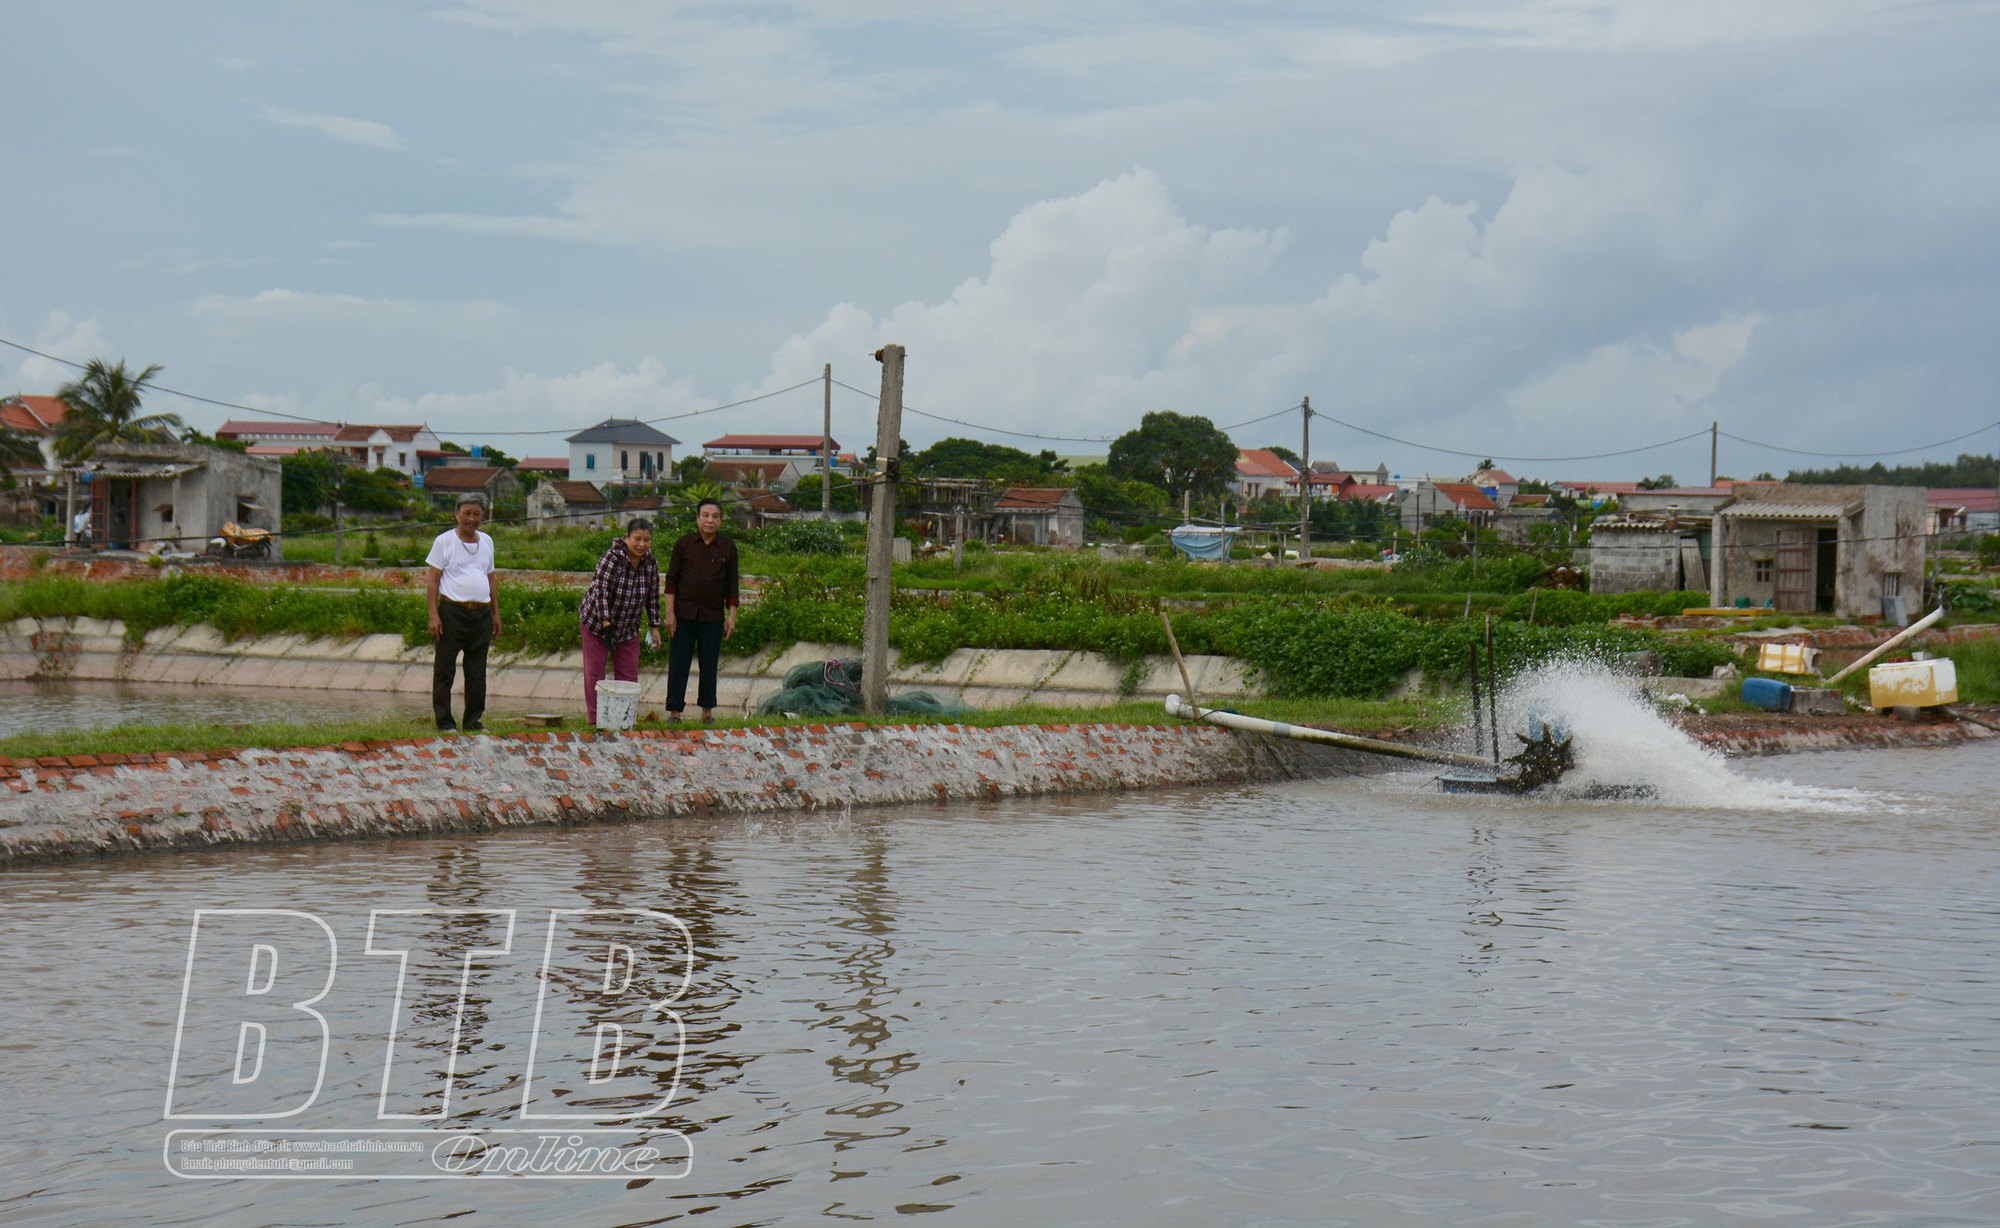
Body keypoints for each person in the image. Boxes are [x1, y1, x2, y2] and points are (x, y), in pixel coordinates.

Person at [426, 493, 501, 732]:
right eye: (466, 513)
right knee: (445, 669)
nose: (471, 518)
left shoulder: (487, 541)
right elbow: (433, 580)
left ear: (483, 516)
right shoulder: (444, 542)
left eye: (476, 513)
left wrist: (495, 614)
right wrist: (433, 615)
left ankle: (473, 721)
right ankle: (445, 722)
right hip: (451, 612)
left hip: (480, 614)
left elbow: (491, 579)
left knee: (477, 670)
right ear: (456, 514)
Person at [578, 518, 664, 725]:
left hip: (629, 627)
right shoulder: (612, 558)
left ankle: (626, 718)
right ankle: (595, 719)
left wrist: (654, 625)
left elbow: (652, 595)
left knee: (628, 674)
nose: (641, 544)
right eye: (637, 539)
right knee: (595, 672)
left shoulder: (651, 562)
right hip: (598, 624)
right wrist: (606, 624)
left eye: (646, 540)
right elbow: (600, 591)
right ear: (627, 538)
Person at [662, 497, 739, 723]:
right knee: (679, 662)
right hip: (683, 614)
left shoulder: (728, 547)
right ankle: (674, 712)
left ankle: (707, 712)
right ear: (697, 518)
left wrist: (731, 615)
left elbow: (732, 584)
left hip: (712, 616)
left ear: (721, 521)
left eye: (715, 516)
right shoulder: (684, 544)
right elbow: (671, 581)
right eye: (705, 515)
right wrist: (669, 614)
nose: (709, 520)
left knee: (709, 663)